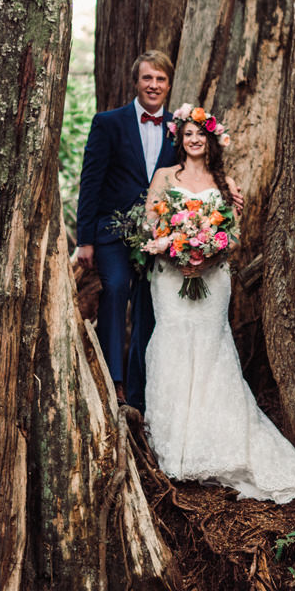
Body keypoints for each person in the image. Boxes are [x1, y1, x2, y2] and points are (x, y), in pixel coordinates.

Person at [141, 109, 295, 503]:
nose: (194, 140)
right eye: (188, 134)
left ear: (210, 140)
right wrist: (177, 250)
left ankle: (216, 446)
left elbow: (232, 235)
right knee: (173, 345)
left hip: (211, 277)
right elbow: (150, 225)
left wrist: (205, 255)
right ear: (181, 139)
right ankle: (173, 448)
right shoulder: (163, 178)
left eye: (200, 134)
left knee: (211, 352)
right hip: (171, 279)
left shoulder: (225, 183)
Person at [75, 51, 179, 409]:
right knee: (116, 289)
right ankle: (113, 382)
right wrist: (85, 239)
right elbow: (91, 182)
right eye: (147, 78)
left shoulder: (179, 129)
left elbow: (196, 170)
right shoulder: (109, 122)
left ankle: (141, 390)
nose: (153, 85)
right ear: (136, 81)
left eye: (160, 79)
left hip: (160, 236)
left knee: (150, 306)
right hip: (112, 231)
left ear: (168, 84)